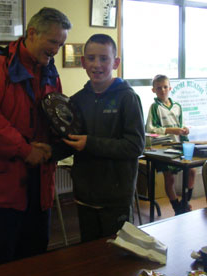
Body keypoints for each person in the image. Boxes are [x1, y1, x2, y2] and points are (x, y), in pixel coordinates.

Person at [0, 7, 72, 267]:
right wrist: (25, 150)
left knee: (35, 256)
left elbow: (55, 114)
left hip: (40, 180)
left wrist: (64, 137)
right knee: (0, 262)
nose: (57, 50)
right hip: (2, 184)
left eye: (61, 44)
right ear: (32, 33)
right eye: (53, 42)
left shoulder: (49, 71)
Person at [48, 34, 145, 242]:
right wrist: (47, 151)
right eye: (91, 58)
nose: (97, 64)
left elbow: (135, 146)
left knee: (117, 257)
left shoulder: (128, 98)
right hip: (84, 195)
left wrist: (90, 143)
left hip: (116, 198)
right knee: (89, 255)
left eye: (104, 58)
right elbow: (71, 142)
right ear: (83, 62)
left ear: (115, 62)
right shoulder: (76, 100)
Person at [146, 74, 196, 215]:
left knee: (191, 171)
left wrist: (184, 130)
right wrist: (169, 130)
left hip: (179, 145)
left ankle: (185, 202)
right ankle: (177, 207)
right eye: (159, 88)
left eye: (165, 87)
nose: (163, 90)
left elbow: (181, 125)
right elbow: (150, 129)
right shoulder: (155, 107)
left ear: (170, 88)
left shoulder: (178, 107)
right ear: (153, 90)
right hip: (164, 147)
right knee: (170, 178)